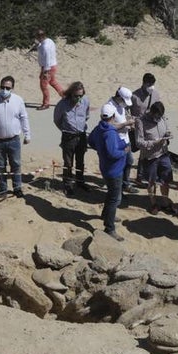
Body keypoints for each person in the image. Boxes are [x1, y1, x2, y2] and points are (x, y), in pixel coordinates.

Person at [87, 102, 127, 242]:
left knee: (110, 194)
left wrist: (100, 149)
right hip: (114, 169)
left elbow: (91, 141)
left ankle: (106, 215)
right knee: (114, 198)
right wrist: (124, 151)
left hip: (105, 167)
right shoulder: (109, 132)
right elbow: (113, 153)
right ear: (113, 116)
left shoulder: (99, 128)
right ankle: (109, 228)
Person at [136, 101, 174, 213]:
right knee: (151, 181)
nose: (159, 118)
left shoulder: (163, 118)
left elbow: (167, 129)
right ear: (152, 113)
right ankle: (154, 204)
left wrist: (168, 135)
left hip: (163, 153)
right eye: (157, 116)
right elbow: (139, 142)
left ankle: (165, 202)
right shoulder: (141, 121)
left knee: (166, 180)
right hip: (150, 156)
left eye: (160, 116)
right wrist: (154, 143)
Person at [53, 81, 89, 196]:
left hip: (81, 136)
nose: (78, 98)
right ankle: (68, 184)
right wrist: (66, 129)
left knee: (80, 161)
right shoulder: (62, 104)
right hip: (68, 136)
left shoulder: (85, 101)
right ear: (70, 94)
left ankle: (80, 181)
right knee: (68, 163)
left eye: (80, 96)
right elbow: (57, 120)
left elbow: (86, 116)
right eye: (76, 96)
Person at [110, 87, 137, 194]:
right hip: (117, 141)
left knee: (129, 161)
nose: (125, 104)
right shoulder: (109, 107)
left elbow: (123, 119)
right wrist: (125, 124)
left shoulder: (121, 106)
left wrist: (129, 124)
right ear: (119, 97)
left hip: (125, 139)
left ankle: (125, 184)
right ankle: (118, 188)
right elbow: (109, 126)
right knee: (119, 165)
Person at [34, 29, 65, 109]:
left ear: (40, 37)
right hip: (52, 66)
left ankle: (46, 103)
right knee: (53, 82)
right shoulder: (49, 41)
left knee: (43, 85)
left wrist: (46, 72)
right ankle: (64, 96)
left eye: (37, 37)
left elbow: (47, 58)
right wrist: (38, 45)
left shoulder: (45, 46)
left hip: (48, 67)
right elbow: (42, 50)